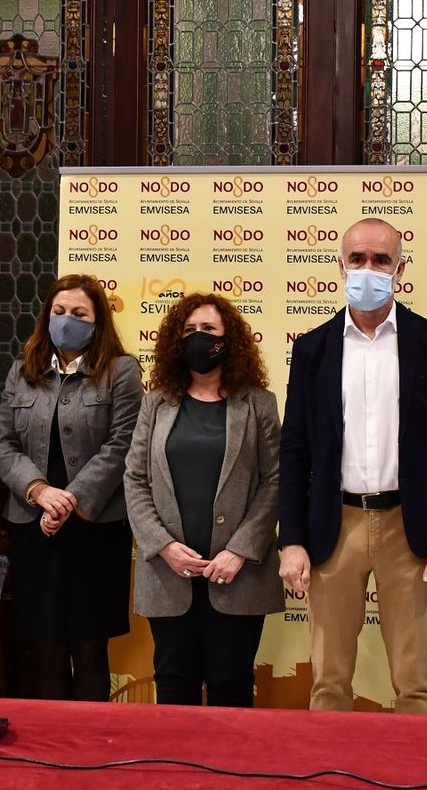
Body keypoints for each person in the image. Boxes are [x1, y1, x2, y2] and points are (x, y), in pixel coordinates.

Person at [278, 217, 427, 714]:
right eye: (357, 259)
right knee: (328, 682)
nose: (368, 269)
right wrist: (292, 539)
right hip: (333, 526)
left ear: (400, 268)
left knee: (415, 682)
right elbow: (294, 450)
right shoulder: (312, 349)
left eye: (381, 260)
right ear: (340, 266)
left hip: (411, 527)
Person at [124, 293, 283, 707]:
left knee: (231, 684)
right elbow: (135, 478)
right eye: (190, 330)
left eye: (209, 330)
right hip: (168, 572)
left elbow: (275, 482)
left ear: (229, 340)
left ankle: (231, 773)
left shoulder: (258, 404)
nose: (199, 338)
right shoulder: (155, 403)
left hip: (237, 574)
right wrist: (163, 546)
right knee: (174, 683)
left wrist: (240, 551)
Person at [0, 274, 142, 701]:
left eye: (79, 314)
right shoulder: (23, 372)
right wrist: (40, 492)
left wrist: (70, 500)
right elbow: (3, 446)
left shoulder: (122, 371)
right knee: (46, 648)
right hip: (32, 526)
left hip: (96, 528)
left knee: (91, 648)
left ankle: (91, 753)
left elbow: (123, 444)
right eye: (59, 312)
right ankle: (51, 756)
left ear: (97, 322)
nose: (67, 321)